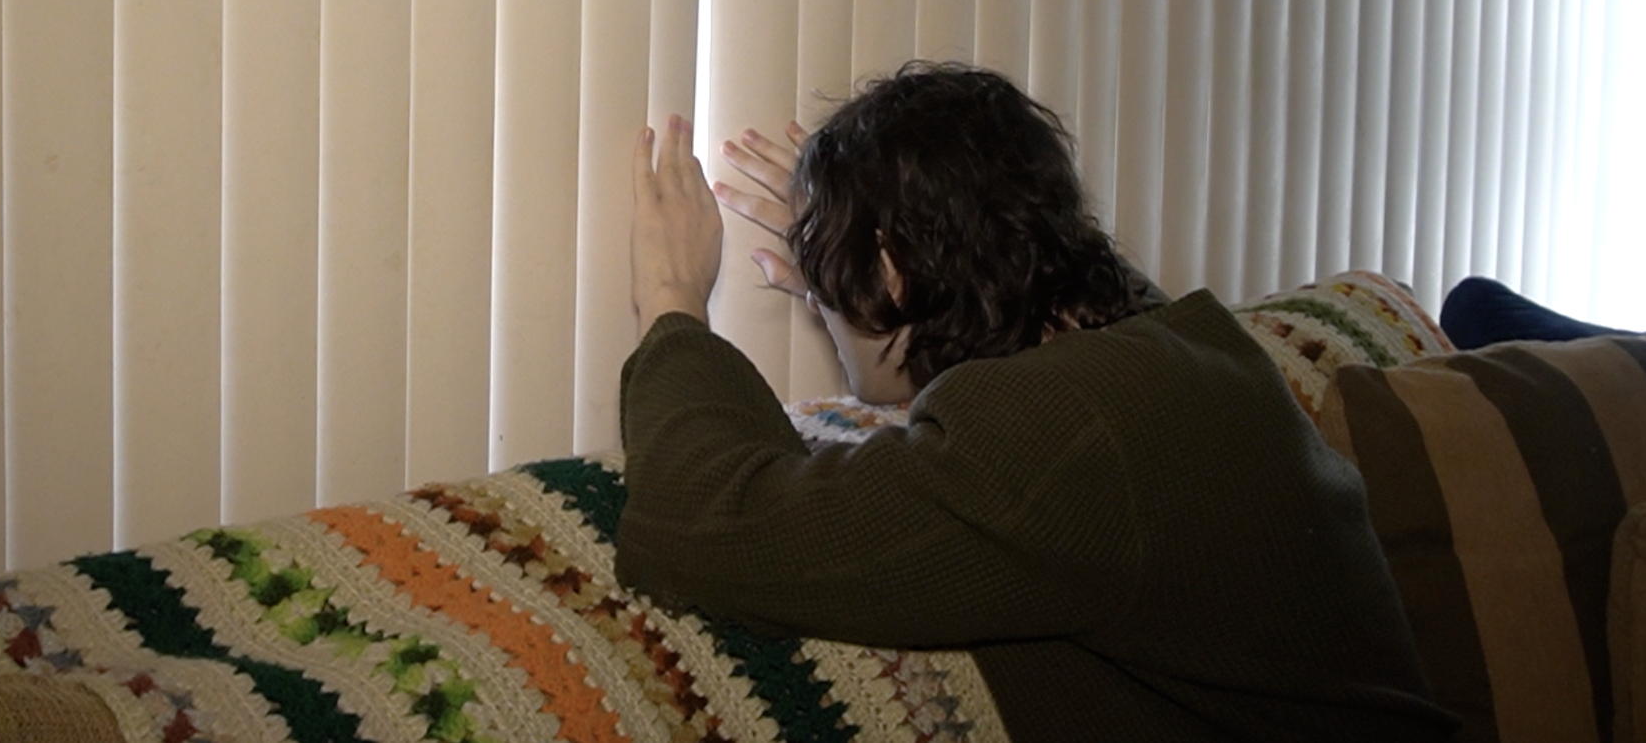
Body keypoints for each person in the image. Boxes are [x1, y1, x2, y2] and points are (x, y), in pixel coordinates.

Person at [618, 62, 1456, 743]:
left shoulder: (1063, 436)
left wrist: (670, 296)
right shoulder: (1179, 352)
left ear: (893, 266)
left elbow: (712, 524)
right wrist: (871, 275)